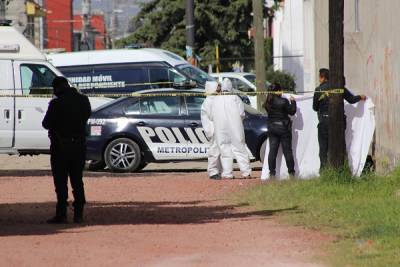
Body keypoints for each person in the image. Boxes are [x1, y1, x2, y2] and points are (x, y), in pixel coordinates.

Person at [42, 76, 91, 224]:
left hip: (60, 147)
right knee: (77, 180)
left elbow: (46, 123)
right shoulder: (83, 100)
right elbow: (86, 116)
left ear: (56, 88)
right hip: (79, 146)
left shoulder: (56, 103)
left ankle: (61, 214)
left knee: (61, 182)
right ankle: (78, 214)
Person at [313, 68, 367, 169]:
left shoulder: (318, 90)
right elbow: (351, 99)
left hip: (324, 122)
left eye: (319, 77)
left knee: (323, 149)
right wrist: (360, 96)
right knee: (340, 147)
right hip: (338, 122)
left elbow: (315, 108)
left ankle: (324, 172)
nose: (319, 79)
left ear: (323, 77)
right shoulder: (339, 87)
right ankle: (342, 169)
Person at [211, 78, 251, 178]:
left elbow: (211, 116)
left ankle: (227, 173)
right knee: (240, 148)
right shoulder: (235, 98)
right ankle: (246, 172)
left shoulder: (215, 99)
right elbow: (242, 114)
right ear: (230, 88)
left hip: (221, 129)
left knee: (224, 150)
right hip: (235, 127)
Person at [264, 83, 297, 178]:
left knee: (272, 151)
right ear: (278, 90)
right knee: (287, 152)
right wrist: (293, 102)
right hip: (284, 129)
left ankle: (272, 174)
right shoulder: (284, 101)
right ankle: (291, 174)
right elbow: (292, 111)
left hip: (272, 128)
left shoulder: (268, 102)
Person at [201, 81, 222, 179]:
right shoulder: (209, 101)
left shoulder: (216, 99)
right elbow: (213, 116)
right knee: (214, 151)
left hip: (218, 128)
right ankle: (213, 172)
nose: (219, 89)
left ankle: (220, 171)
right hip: (213, 130)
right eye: (217, 88)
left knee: (220, 152)